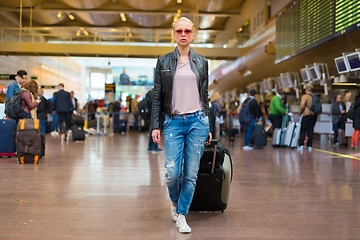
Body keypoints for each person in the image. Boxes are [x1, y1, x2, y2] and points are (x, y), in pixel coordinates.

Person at [151, 17, 211, 234]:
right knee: (172, 172)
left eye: (187, 30)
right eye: (179, 31)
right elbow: (158, 95)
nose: (183, 34)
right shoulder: (164, 61)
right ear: (173, 34)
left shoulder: (202, 62)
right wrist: (155, 126)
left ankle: (182, 214)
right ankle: (175, 203)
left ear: (192, 33)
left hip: (198, 121)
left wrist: (208, 124)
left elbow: (205, 95)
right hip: (173, 122)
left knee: (191, 173)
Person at [298, 87, 318, 151]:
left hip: (306, 114)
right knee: (311, 130)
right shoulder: (315, 97)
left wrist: (300, 112)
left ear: (306, 90)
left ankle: (301, 145)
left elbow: (302, 105)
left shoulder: (305, 96)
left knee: (303, 130)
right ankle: (309, 146)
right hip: (314, 115)